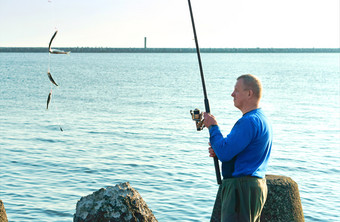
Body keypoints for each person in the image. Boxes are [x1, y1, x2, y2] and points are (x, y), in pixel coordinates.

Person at [204, 74, 273, 222]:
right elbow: (240, 151)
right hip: (254, 186)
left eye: (236, 90)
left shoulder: (248, 122)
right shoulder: (261, 119)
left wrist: (212, 126)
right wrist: (218, 148)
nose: (232, 94)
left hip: (240, 190)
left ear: (249, 93)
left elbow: (225, 153)